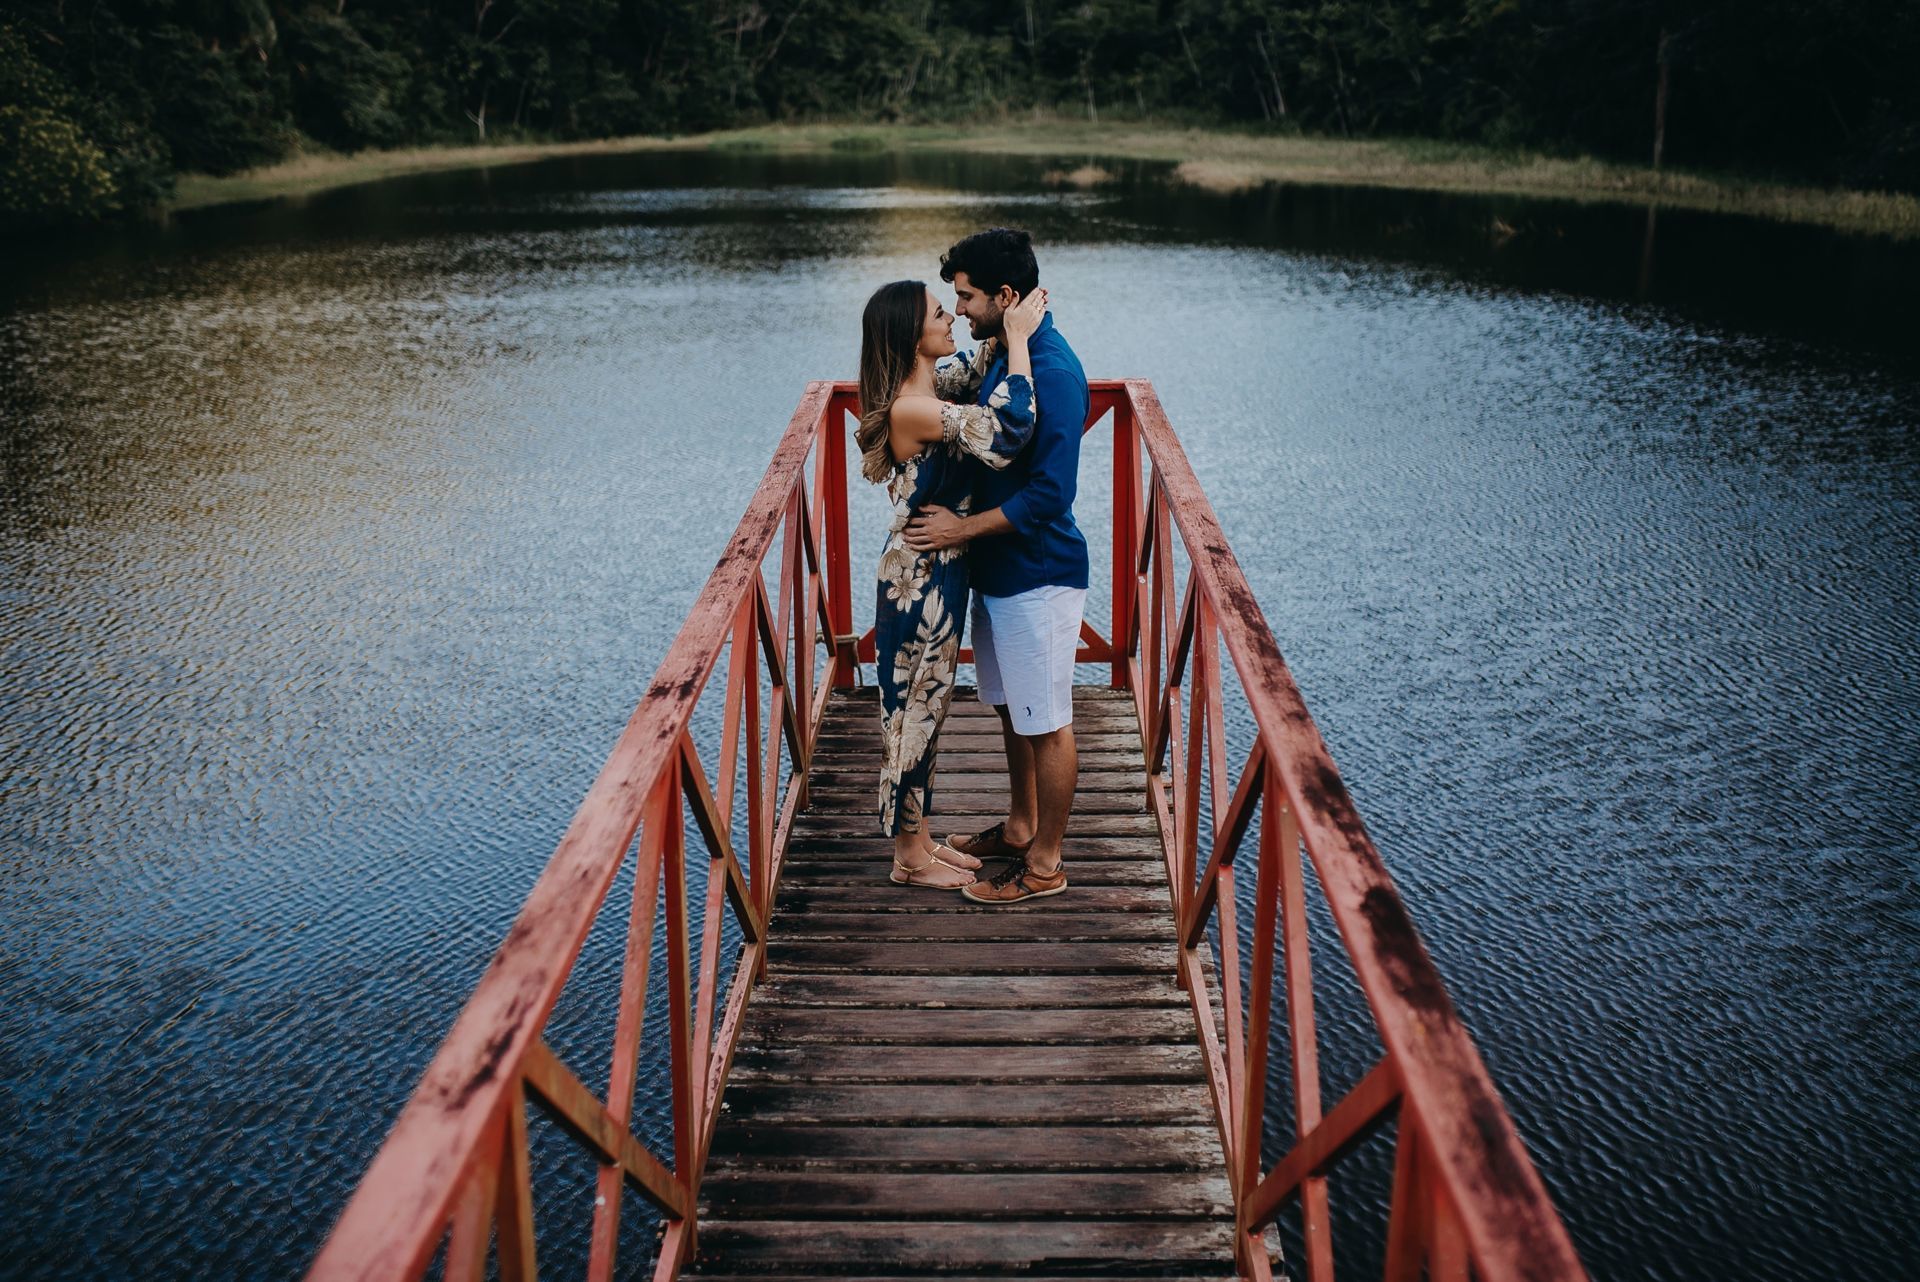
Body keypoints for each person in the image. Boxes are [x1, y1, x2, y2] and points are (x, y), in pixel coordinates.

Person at [904, 228, 1090, 905]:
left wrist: (960, 527)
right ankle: (1019, 827)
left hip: (1039, 572)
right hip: (1002, 573)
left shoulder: (1057, 372)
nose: (962, 310)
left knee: (1048, 720)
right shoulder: (1003, 356)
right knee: (1014, 710)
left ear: (1005, 297)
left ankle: (1044, 866)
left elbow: (1051, 495)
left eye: (968, 297)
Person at [857, 278, 1051, 889]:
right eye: (940, 313)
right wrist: (1018, 344)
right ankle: (907, 859)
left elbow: (976, 359)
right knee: (910, 714)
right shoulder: (913, 409)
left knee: (928, 709)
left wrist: (1008, 319)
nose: (951, 318)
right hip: (916, 578)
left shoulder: (929, 386)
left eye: (953, 306)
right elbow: (1010, 429)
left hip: (941, 570)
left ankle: (918, 839)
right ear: (910, 336)